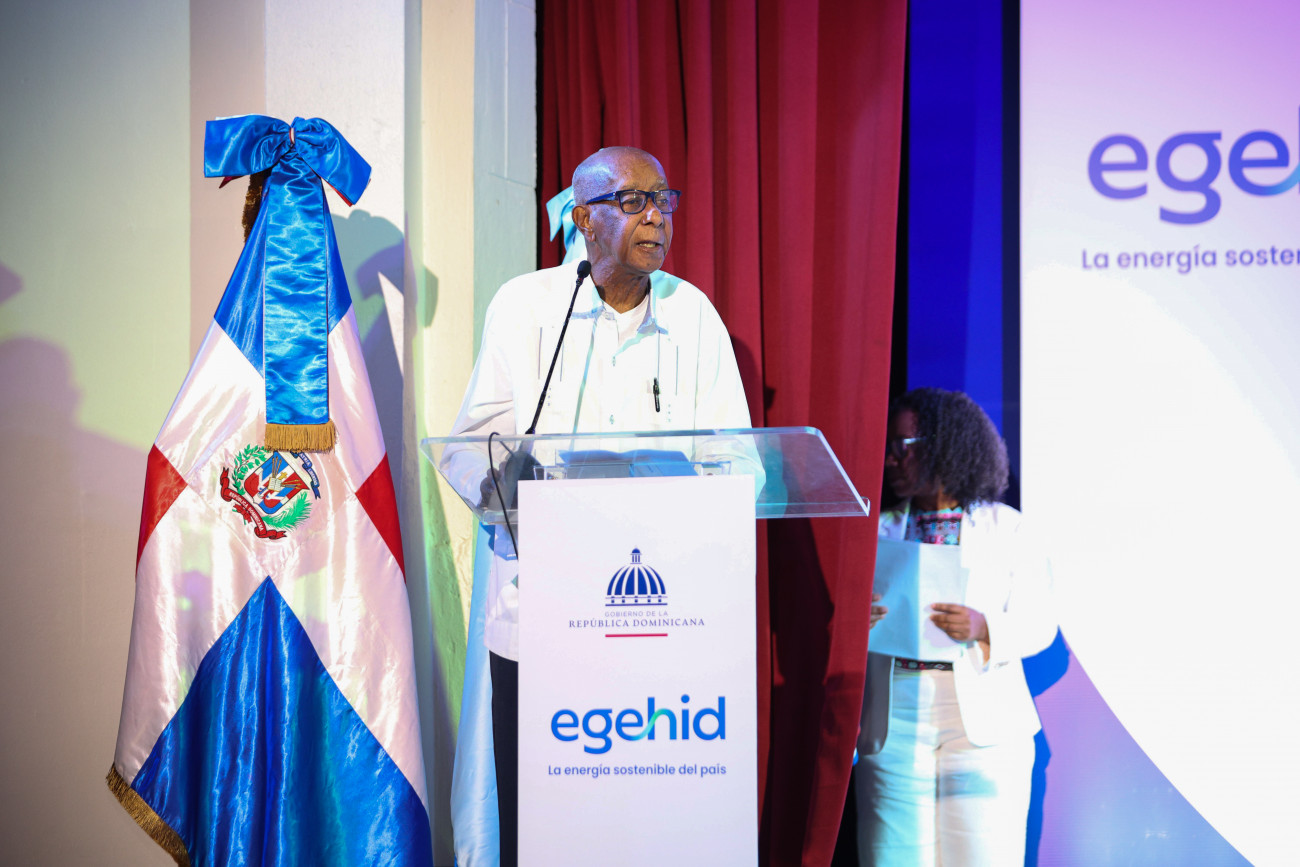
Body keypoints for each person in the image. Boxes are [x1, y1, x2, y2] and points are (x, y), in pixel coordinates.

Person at [447, 146, 753, 866]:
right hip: (542, 618)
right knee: (543, 833)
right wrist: (506, 489)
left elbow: (742, 463)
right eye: (632, 200)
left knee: (651, 834)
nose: (656, 216)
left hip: (665, 628)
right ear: (583, 218)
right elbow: (469, 446)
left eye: (663, 199)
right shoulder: (526, 307)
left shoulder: (694, 316)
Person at [856, 387, 1055, 867]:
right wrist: (856, 625)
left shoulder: (1006, 528)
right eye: (888, 447)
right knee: (891, 858)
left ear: (945, 445)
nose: (890, 458)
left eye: (902, 446)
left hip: (982, 722)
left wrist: (985, 627)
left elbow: (1041, 624)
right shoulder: (874, 531)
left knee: (982, 856)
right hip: (894, 720)